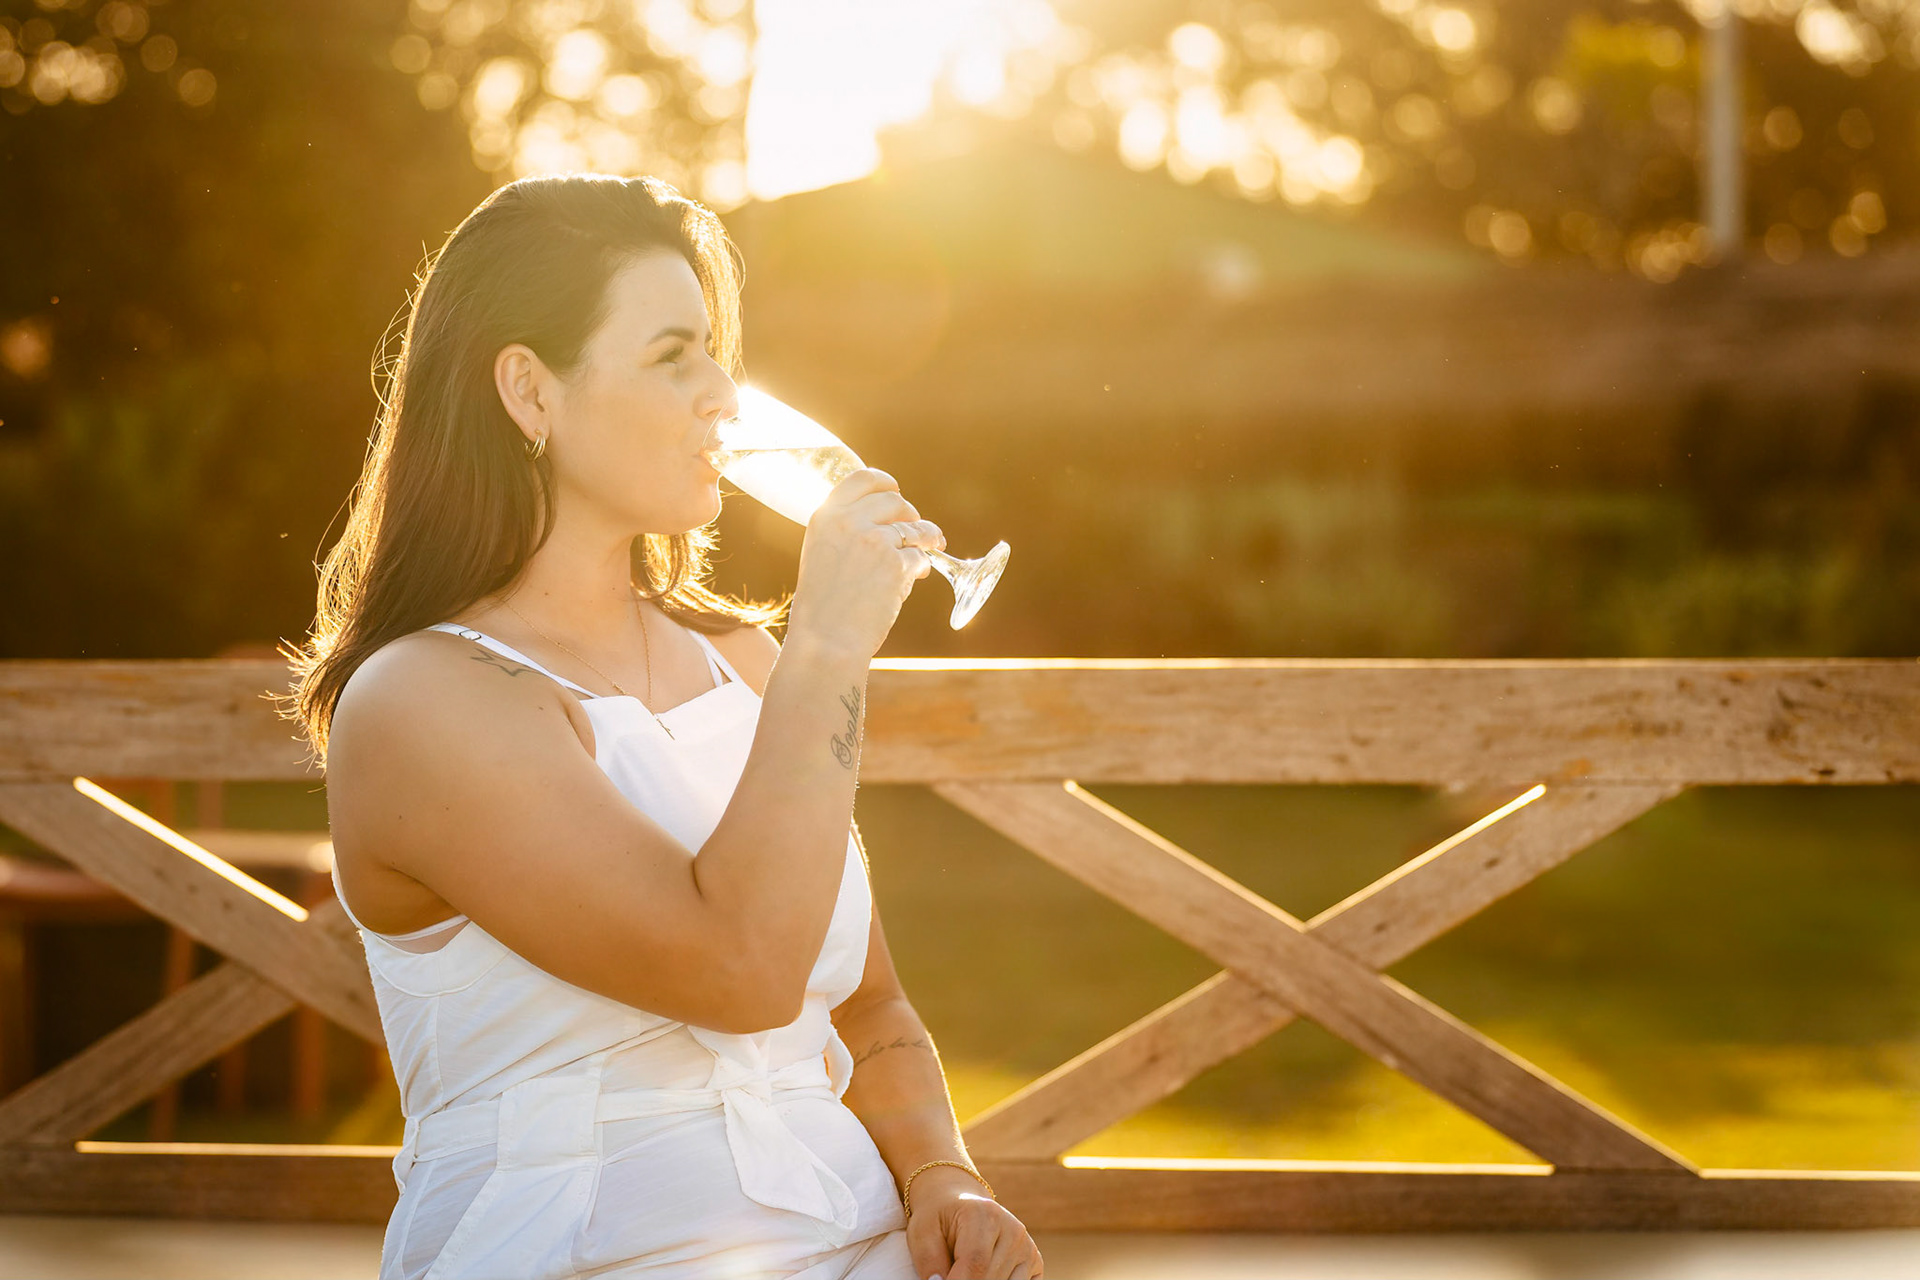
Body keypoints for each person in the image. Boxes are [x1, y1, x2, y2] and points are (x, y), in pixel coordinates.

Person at [283, 174, 1044, 1280]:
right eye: (673, 355)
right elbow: (741, 970)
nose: (723, 393)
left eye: (716, 352)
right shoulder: (421, 701)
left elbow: (870, 1006)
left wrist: (945, 1179)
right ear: (529, 391)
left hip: (858, 1237)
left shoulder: (744, 662)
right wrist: (830, 650)